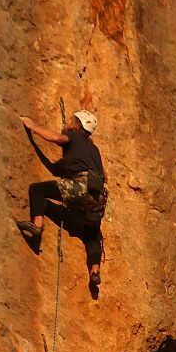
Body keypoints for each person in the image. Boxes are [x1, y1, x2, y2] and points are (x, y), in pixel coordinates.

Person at [17, 109, 106, 289]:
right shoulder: (94, 149)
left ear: (78, 125)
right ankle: (94, 271)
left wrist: (31, 125)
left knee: (37, 190)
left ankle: (37, 226)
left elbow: (56, 138)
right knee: (93, 235)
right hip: (98, 197)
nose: (69, 122)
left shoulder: (73, 136)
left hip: (80, 186)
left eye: (72, 120)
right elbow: (105, 176)